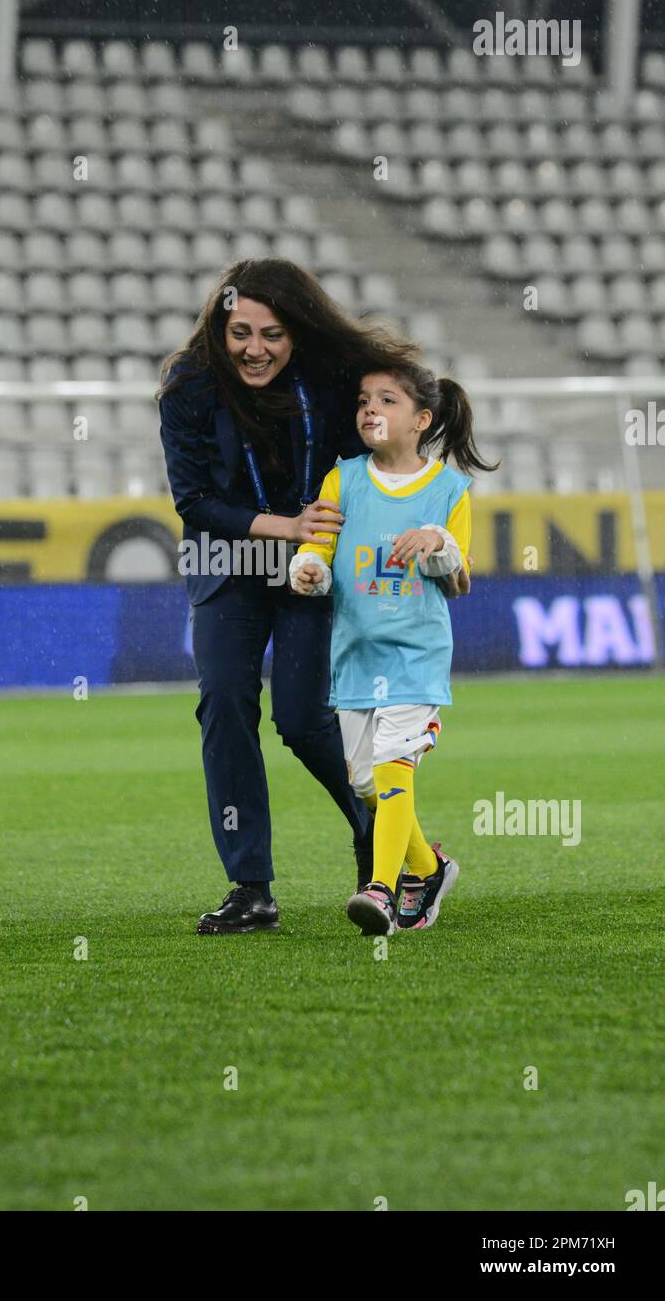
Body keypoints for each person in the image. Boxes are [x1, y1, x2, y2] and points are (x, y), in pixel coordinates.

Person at [158, 258, 469, 935]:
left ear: (296, 332)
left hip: (312, 570)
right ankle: (250, 887)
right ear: (220, 326)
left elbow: (380, 448)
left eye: (271, 333)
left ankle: (376, 828)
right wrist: (288, 526)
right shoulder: (187, 385)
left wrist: (412, 519)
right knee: (225, 704)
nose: (254, 348)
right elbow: (194, 501)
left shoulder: (331, 379)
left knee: (302, 722)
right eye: (239, 331)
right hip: (228, 564)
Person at [289, 361, 496, 936]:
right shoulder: (344, 478)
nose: (369, 410)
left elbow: (459, 578)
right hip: (356, 654)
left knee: (394, 764)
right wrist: (305, 569)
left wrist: (440, 541)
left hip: (414, 654)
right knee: (365, 782)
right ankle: (430, 869)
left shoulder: (449, 490)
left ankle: (380, 888)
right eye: (363, 401)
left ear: (421, 420)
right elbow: (320, 553)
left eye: (386, 401)